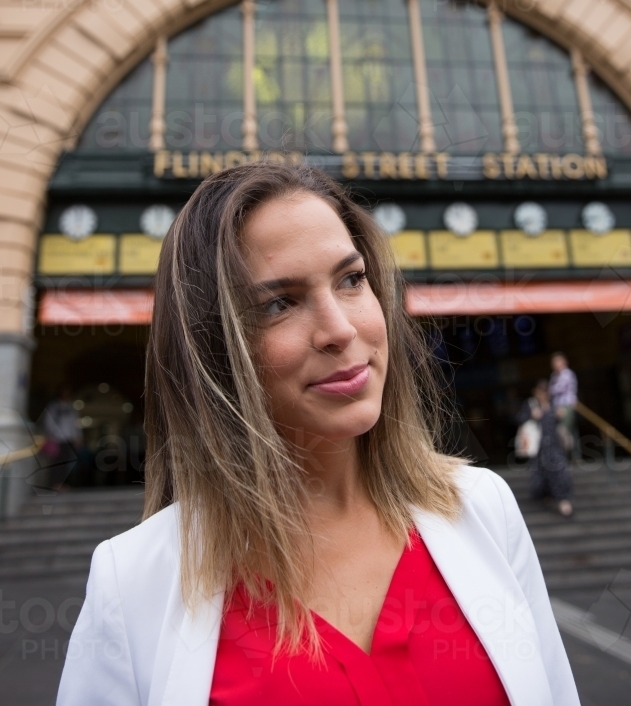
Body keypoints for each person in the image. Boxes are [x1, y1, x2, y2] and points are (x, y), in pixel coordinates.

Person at [57, 163, 579, 706]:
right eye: (280, 303)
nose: (339, 329)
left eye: (351, 280)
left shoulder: (483, 508)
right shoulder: (133, 582)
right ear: (212, 351)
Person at [520, 380, 573, 518]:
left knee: (559, 470)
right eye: (541, 391)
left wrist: (561, 416)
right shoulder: (530, 405)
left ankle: (563, 500)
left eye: (546, 391)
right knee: (540, 474)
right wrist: (532, 416)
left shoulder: (554, 405)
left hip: (554, 445)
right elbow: (519, 419)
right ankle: (546, 496)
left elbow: (562, 423)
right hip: (538, 447)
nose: (544, 394)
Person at [40, 386, 82, 490]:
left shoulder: (71, 408)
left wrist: (78, 436)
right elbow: (48, 422)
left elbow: (75, 423)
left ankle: (62, 483)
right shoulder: (54, 407)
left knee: (66, 462)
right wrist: (54, 434)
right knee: (56, 463)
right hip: (57, 439)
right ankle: (54, 484)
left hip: (68, 439)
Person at [549, 351, 578, 452]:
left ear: (564, 362)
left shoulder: (567, 374)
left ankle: (570, 452)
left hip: (567, 405)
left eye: (557, 361)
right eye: (553, 362)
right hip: (556, 406)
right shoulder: (554, 376)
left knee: (563, 430)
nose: (555, 364)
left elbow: (558, 389)